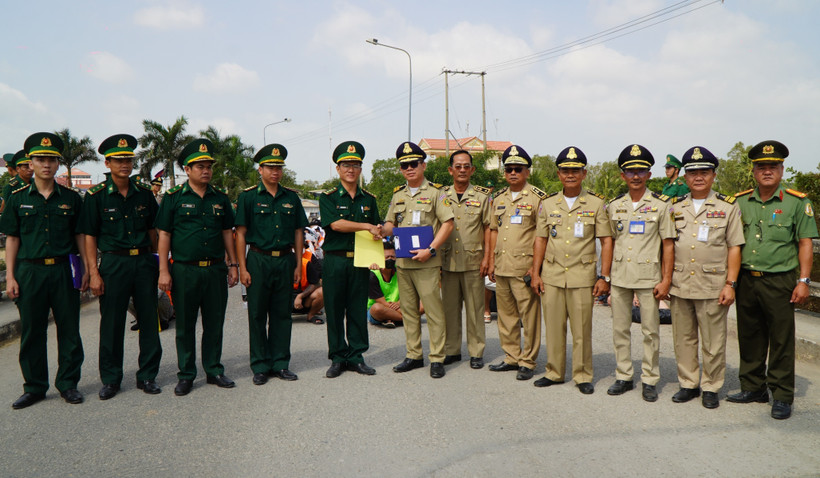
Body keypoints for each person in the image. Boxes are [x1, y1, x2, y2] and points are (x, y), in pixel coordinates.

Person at [729, 140, 818, 419]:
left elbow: (805, 243)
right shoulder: (740, 202)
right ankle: (753, 386)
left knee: (781, 338)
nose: (767, 171)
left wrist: (803, 280)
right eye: (761, 167)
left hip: (780, 280)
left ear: (782, 169)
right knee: (750, 334)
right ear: (753, 171)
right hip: (746, 279)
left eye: (773, 166)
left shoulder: (796, 202)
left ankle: (781, 394)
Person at [2, 132, 89, 409]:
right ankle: (35, 386)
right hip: (30, 272)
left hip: (63, 271)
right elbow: (13, 239)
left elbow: (80, 236)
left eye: (52, 159)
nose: (46, 165)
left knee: (69, 329)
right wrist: (11, 276)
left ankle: (68, 383)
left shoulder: (72, 198)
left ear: (58, 164)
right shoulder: (17, 199)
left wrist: (87, 268)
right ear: (31, 162)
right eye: (40, 159)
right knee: (32, 331)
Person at [79, 134, 162, 400]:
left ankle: (147, 375)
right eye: (119, 160)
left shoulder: (144, 194)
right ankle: (111, 379)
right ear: (108, 162)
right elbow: (89, 236)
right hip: (113, 263)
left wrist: (157, 264)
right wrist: (93, 273)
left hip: (143, 261)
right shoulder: (96, 196)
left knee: (149, 319)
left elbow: (153, 231)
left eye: (128, 159)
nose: (125, 164)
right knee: (112, 323)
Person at [155, 138, 239, 396]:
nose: (205, 170)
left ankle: (213, 369)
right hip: (184, 270)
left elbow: (227, 232)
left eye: (209, 166)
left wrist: (233, 263)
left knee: (214, 323)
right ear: (187, 170)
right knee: (186, 325)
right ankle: (186, 374)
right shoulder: (173, 198)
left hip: (215, 270)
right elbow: (165, 235)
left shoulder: (220, 198)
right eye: (199, 166)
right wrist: (163, 271)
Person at [668, 146, 744, 409]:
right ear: (685, 177)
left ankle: (711, 386)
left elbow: (735, 247)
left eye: (704, 172)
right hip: (680, 283)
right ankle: (688, 383)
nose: (698, 177)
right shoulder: (674, 207)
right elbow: (665, 245)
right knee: (683, 338)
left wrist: (730, 284)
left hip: (713, 285)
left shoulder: (727, 207)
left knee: (713, 341)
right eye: (693, 173)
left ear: (713, 175)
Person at [531, 146, 612, 394]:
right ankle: (554, 372)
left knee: (581, 330)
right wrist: (535, 273)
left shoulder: (596, 204)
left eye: (575, 171)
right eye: (566, 170)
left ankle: (583, 374)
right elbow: (540, 239)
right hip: (552, 276)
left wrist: (604, 276)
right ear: (559, 174)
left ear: (584, 174)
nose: (570, 175)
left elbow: (606, 240)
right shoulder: (547, 203)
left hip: (582, 277)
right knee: (554, 329)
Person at [605, 144, 675, 402]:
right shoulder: (614, 206)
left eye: (641, 171)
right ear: (622, 175)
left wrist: (666, 279)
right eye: (630, 171)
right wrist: (605, 277)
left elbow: (668, 244)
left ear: (649, 175)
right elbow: (608, 243)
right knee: (620, 329)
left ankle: (649, 379)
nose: (636, 176)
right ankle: (623, 375)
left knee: (650, 331)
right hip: (621, 275)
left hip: (649, 277)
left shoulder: (660, 205)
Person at [235, 143, 307, 385]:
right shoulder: (248, 197)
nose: (275, 171)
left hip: (285, 260)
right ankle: (260, 365)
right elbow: (241, 233)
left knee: (281, 314)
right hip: (257, 259)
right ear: (260, 169)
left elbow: (299, 233)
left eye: (279, 167)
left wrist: (298, 264)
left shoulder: (291, 198)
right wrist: (242, 267)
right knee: (257, 314)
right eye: (270, 167)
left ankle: (280, 363)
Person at [382, 141, 454, 378]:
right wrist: (383, 230)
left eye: (413, 164)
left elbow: (448, 223)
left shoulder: (436, 192)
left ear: (423, 165)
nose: (409, 168)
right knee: (409, 311)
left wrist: (431, 250)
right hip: (403, 263)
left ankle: (437, 358)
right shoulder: (398, 194)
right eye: (404, 165)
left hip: (426, 262)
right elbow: (391, 222)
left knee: (433, 311)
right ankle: (413, 355)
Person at [319, 141, 382, 378]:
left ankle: (356, 356)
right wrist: (366, 225)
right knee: (334, 309)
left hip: (360, 261)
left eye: (355, 164)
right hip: (335, 260)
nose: (351, 169)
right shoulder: (329, 197)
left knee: (357, 309)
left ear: (360, 169)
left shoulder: (369, 199)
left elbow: (376, 229)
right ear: (338, 169)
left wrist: (379, 234)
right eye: (346, 164)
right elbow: (336, 224)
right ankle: (337, 357)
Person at [487, 145, 545, 381]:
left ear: (527, 172)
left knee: (528, 317)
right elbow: (492, 231)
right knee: (506, 315)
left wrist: (536, 268)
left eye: (518, 169)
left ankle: (528, 361)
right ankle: (511, 356)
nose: (513, 172)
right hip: (501, 266)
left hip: (524, 268)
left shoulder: (538, 198)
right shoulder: (498, 198)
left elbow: (543, 235)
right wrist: (490, 260)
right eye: (509, 169)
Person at [441, 150, 492, 370]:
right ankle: (451, 350)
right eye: (458, 166)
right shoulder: (441, 195)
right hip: (448, 261)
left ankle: (476, 351)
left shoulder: (482, 196)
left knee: (475, 308)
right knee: (450, 309)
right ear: (451, 170)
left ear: (472, 170)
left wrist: (488, 258)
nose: (462, 170)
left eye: (466, 166)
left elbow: (489, 228)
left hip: (474, 261)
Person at [367, 240, 404, 328]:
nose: (390, 259)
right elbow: (382, 302)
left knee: (422, 303)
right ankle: (408, 319)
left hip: (398, 305)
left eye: (392, 257)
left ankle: (391, 319)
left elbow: (408, 292)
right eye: (387, 257)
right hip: (381, 307)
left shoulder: (400, 271)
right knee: (377, 308)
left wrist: (399, 303)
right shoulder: (373, 274)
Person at [292, 246, 324, 324]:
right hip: (284, 299)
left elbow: (316, 281)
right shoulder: (281, 263)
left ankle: (311, 314)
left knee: (323, 289)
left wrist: (300, 296)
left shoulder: (306, 263)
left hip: (305, 297)